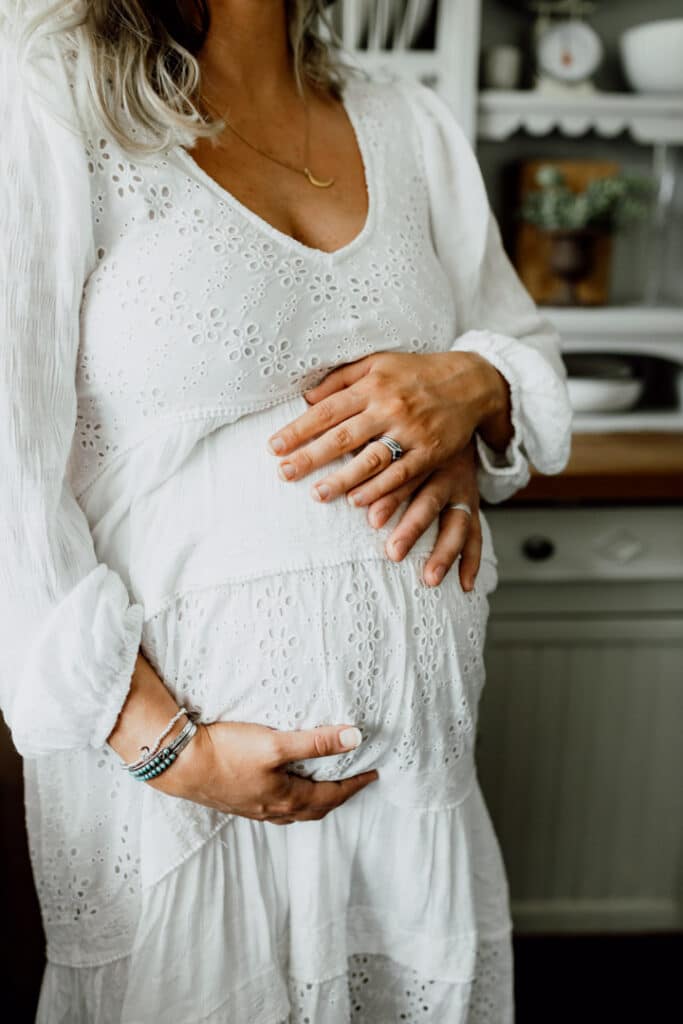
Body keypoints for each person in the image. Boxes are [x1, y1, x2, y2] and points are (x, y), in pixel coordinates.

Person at [0, 1, 572, 1021]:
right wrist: (167, 746)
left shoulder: (405, 116)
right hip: (188, 810)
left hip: (415, 795)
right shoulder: (51, 91)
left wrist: (470, 388)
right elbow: (6, 461)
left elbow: (514, 341)